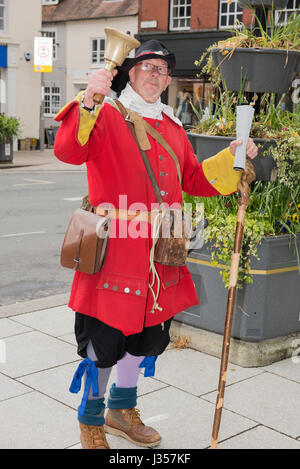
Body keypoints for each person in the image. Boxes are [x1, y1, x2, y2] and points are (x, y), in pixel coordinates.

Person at [54, 40, 258, 450]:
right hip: (114, 250)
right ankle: (91, 417)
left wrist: (232, 158)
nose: (156, 76)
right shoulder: (107, 114)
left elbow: (194, 180)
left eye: (163, 72)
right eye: (148, 67)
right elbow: (67, 150)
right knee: (104, 342)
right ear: (130, 72)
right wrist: (88, 101)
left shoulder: (171, 126)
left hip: (161, 252)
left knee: (147, 336)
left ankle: (121, 410)